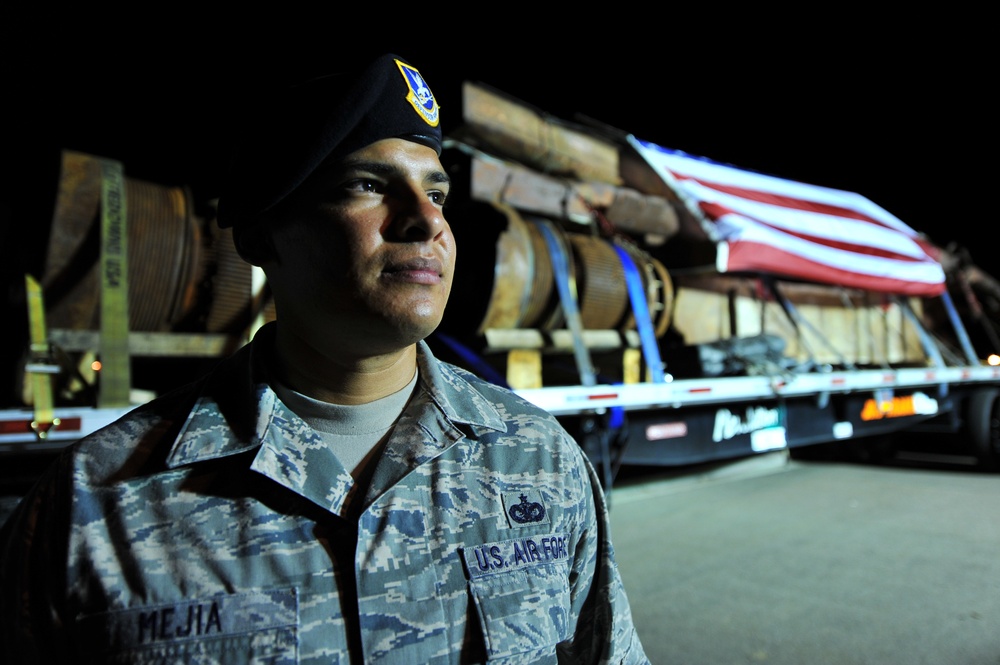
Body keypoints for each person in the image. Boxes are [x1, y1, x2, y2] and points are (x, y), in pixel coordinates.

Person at [0, 53, 649, 664]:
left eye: (438, 192)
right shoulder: (97, 507)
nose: (427, 222)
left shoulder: (538, 460)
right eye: (369, 184)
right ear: (260, 228)